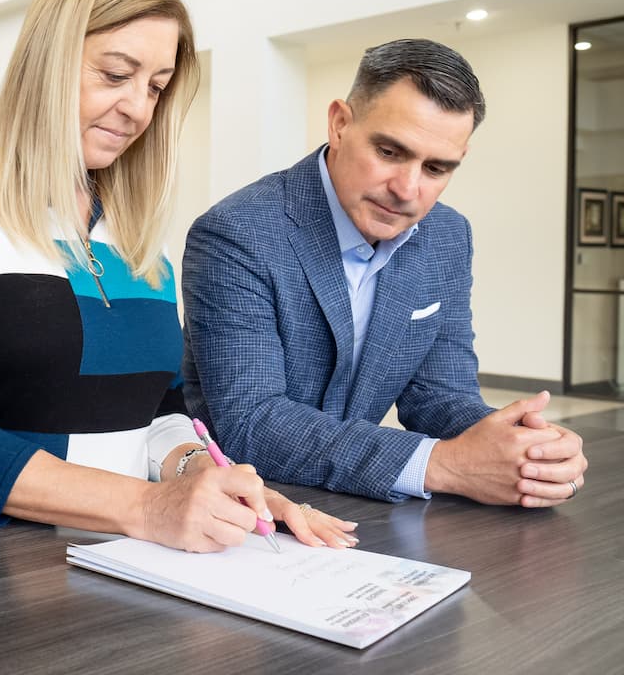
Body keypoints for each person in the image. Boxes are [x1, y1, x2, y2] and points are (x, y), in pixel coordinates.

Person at [0, 0, 357, 553]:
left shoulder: (135, 234)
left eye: (156, 87)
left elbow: (160, 411)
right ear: (48, 59)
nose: (137, 109)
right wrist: (148, 507)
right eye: (115, 74)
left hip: (130, 559)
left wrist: (203, 481)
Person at [182, 38, 588, 507]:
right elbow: (252, 422)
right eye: (390, 152)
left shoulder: (447, 237)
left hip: (356, 506)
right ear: (339, 124)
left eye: (436, 168)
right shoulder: (237, 232)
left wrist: (525, 447)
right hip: (232, 506)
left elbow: (438, 396)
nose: (407, 190)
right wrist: (443, 465)